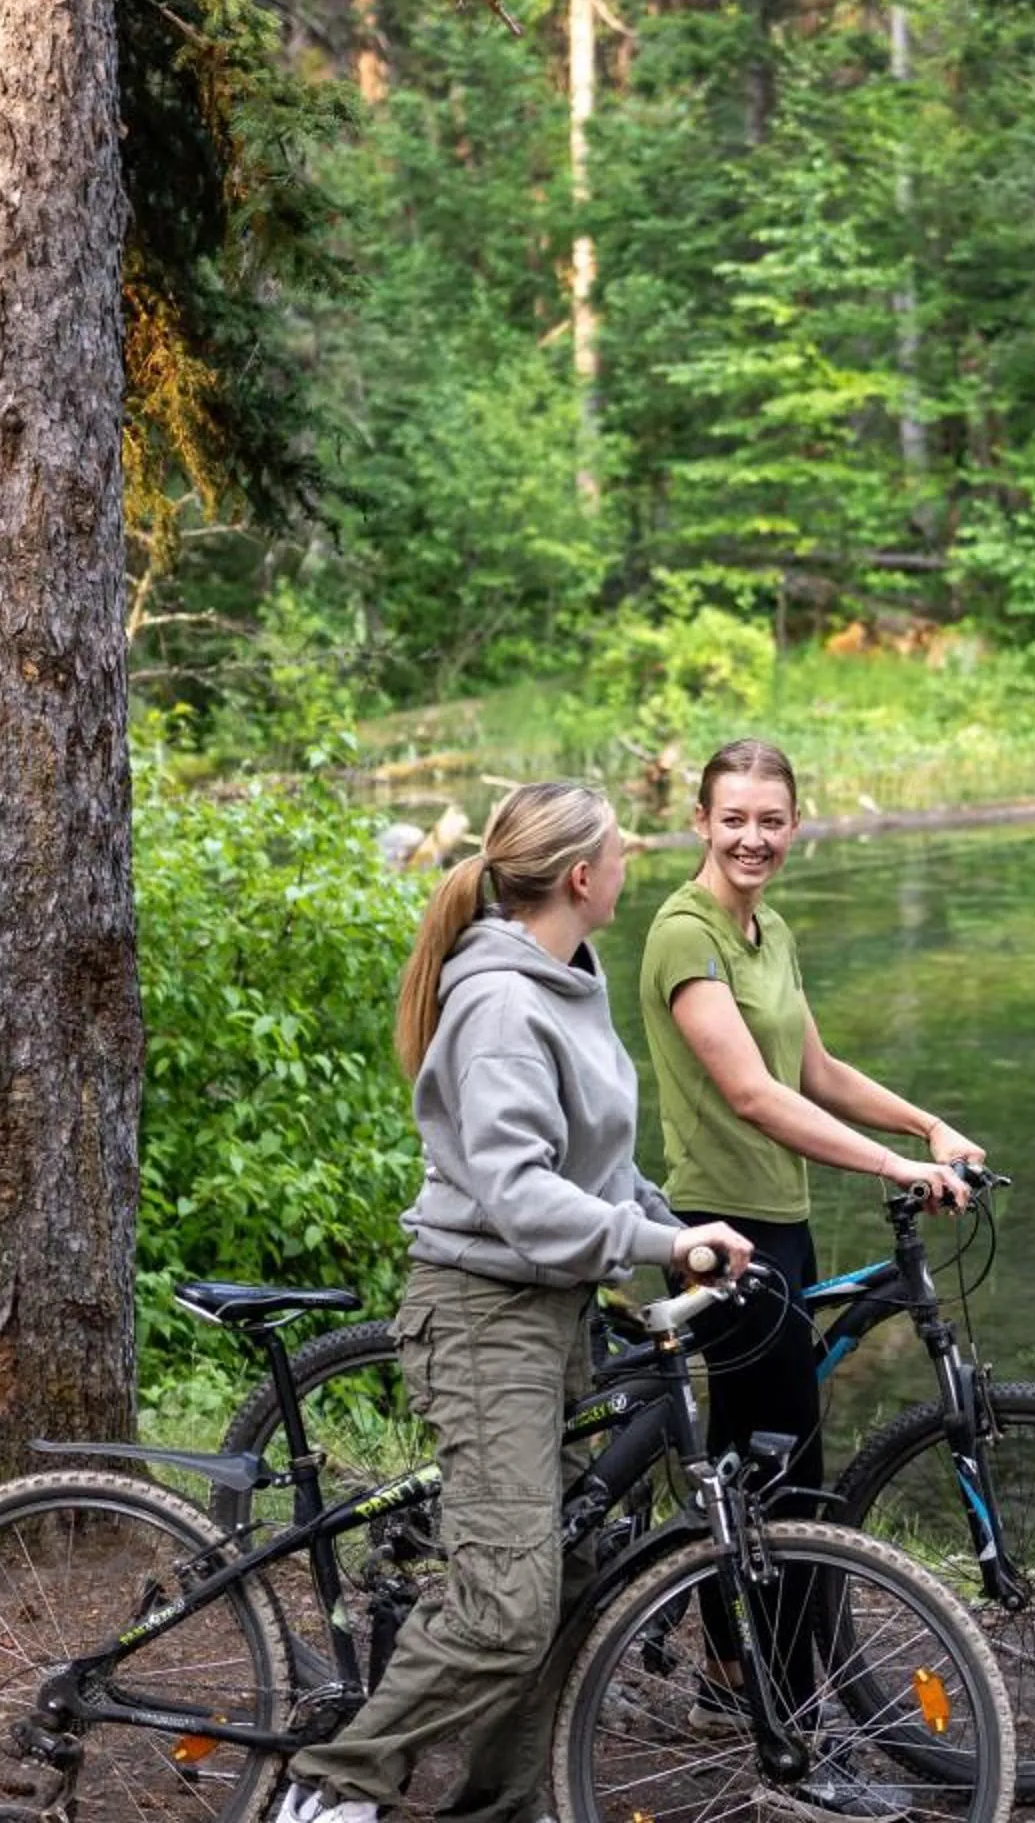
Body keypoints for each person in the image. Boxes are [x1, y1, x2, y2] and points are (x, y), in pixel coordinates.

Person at [275, 781, 752, 1823]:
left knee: (572, 1575)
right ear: (582, 876)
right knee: (504, 1608)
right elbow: (523, 1192)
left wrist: (673, 1231)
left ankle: (497, 1806)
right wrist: (659, 1239)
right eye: (622, 850)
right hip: (484, 1314)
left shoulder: (568, 976)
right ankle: (330, 1789)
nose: (632, 863)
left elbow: (596, 1162)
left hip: (555, 1314)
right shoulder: (498, 1001)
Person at [638, 738, 983, 1813]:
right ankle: (788, 1738)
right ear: (701, 820)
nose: (752, 836)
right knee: (781, 1492)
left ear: (798, 824)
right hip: (724, 1232)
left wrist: (924, 1120)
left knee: (772, 1469)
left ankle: (734, 1679)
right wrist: (892, 1164)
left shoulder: (766, 926)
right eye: (733, 816)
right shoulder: (683, 933)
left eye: (771, 819)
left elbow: (814, 1070)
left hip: (782, 1229)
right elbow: (749, 1092)